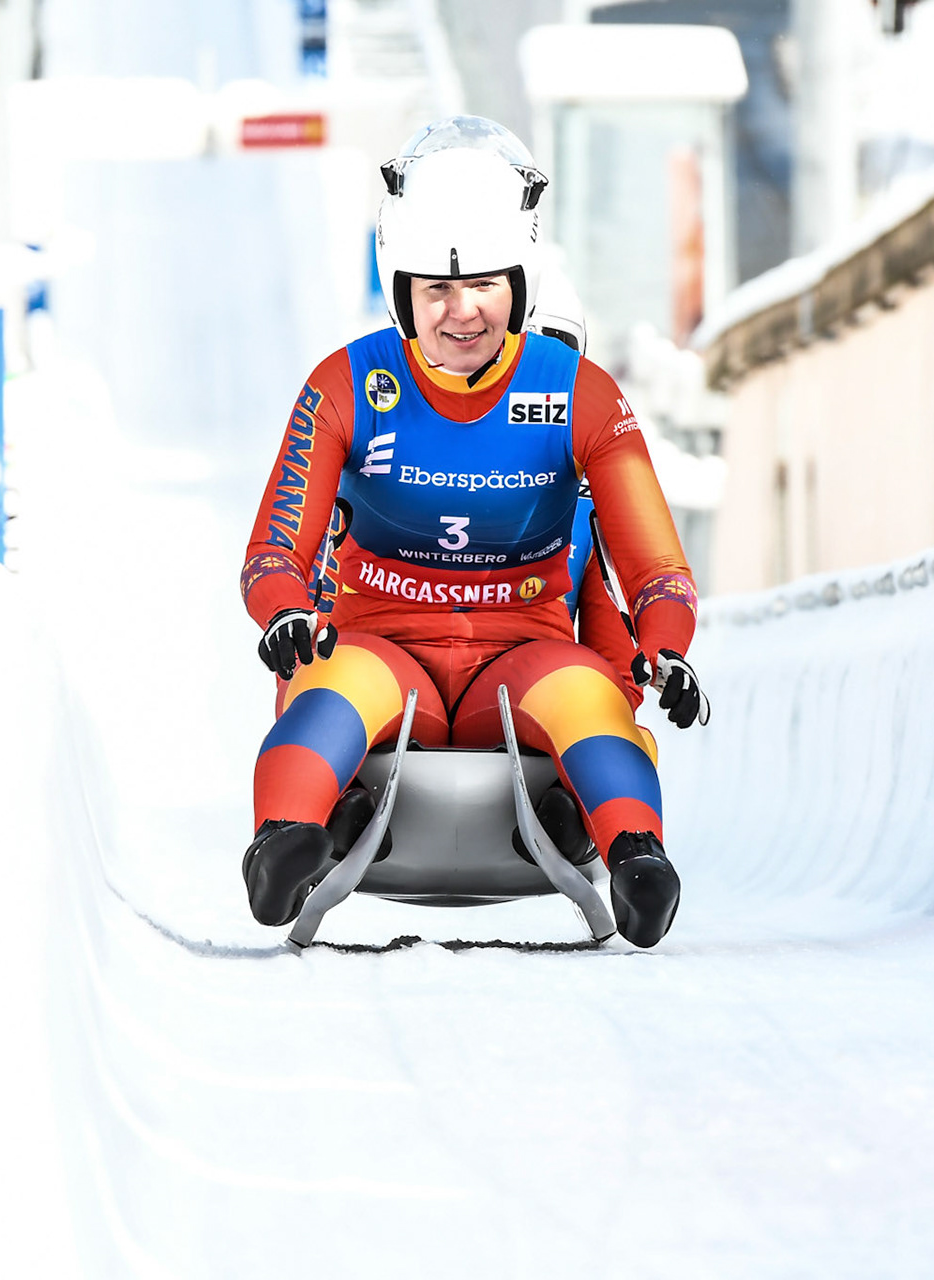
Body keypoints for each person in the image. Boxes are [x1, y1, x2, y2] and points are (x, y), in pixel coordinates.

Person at [237, 117, 707, 947]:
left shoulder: (582, 395)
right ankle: (283, 839)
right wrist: (282, 611)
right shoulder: (345, 384)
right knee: (330, 686)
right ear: (403, 293)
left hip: (519, 659)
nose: (463, 313)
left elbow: (650, 564)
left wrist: (664, 647)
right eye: (437, 292)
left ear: (520, 286)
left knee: (588, 693)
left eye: (485, 286)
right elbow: (279, 542)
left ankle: (638, 855)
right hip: (380, 646)